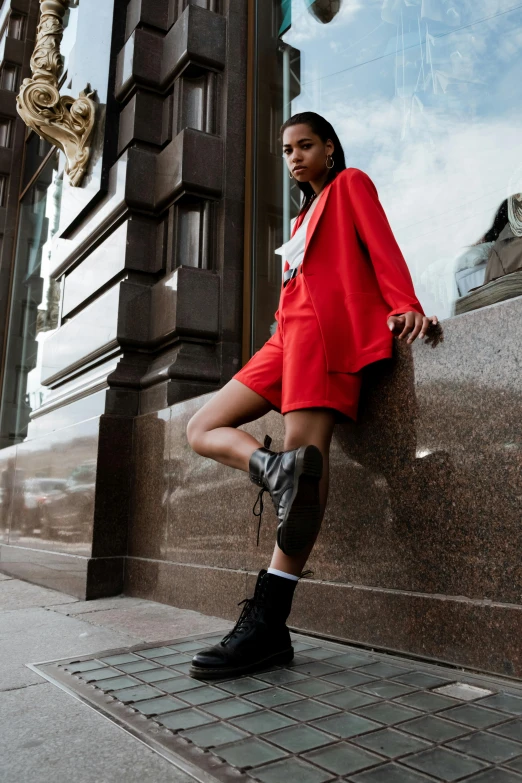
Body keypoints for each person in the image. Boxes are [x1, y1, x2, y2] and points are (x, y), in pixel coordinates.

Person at [186, 111, 442, 680]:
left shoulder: (350, 185)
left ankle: (269, 623)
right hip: (284, 340)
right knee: (201, 428)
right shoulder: (304, 212)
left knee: (308, 476)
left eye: (305, 146)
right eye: (286, 150)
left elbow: (381, 246)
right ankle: (271, 468)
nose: (294, 157)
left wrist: (405, 303)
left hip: (322, 339)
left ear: (329, 149)